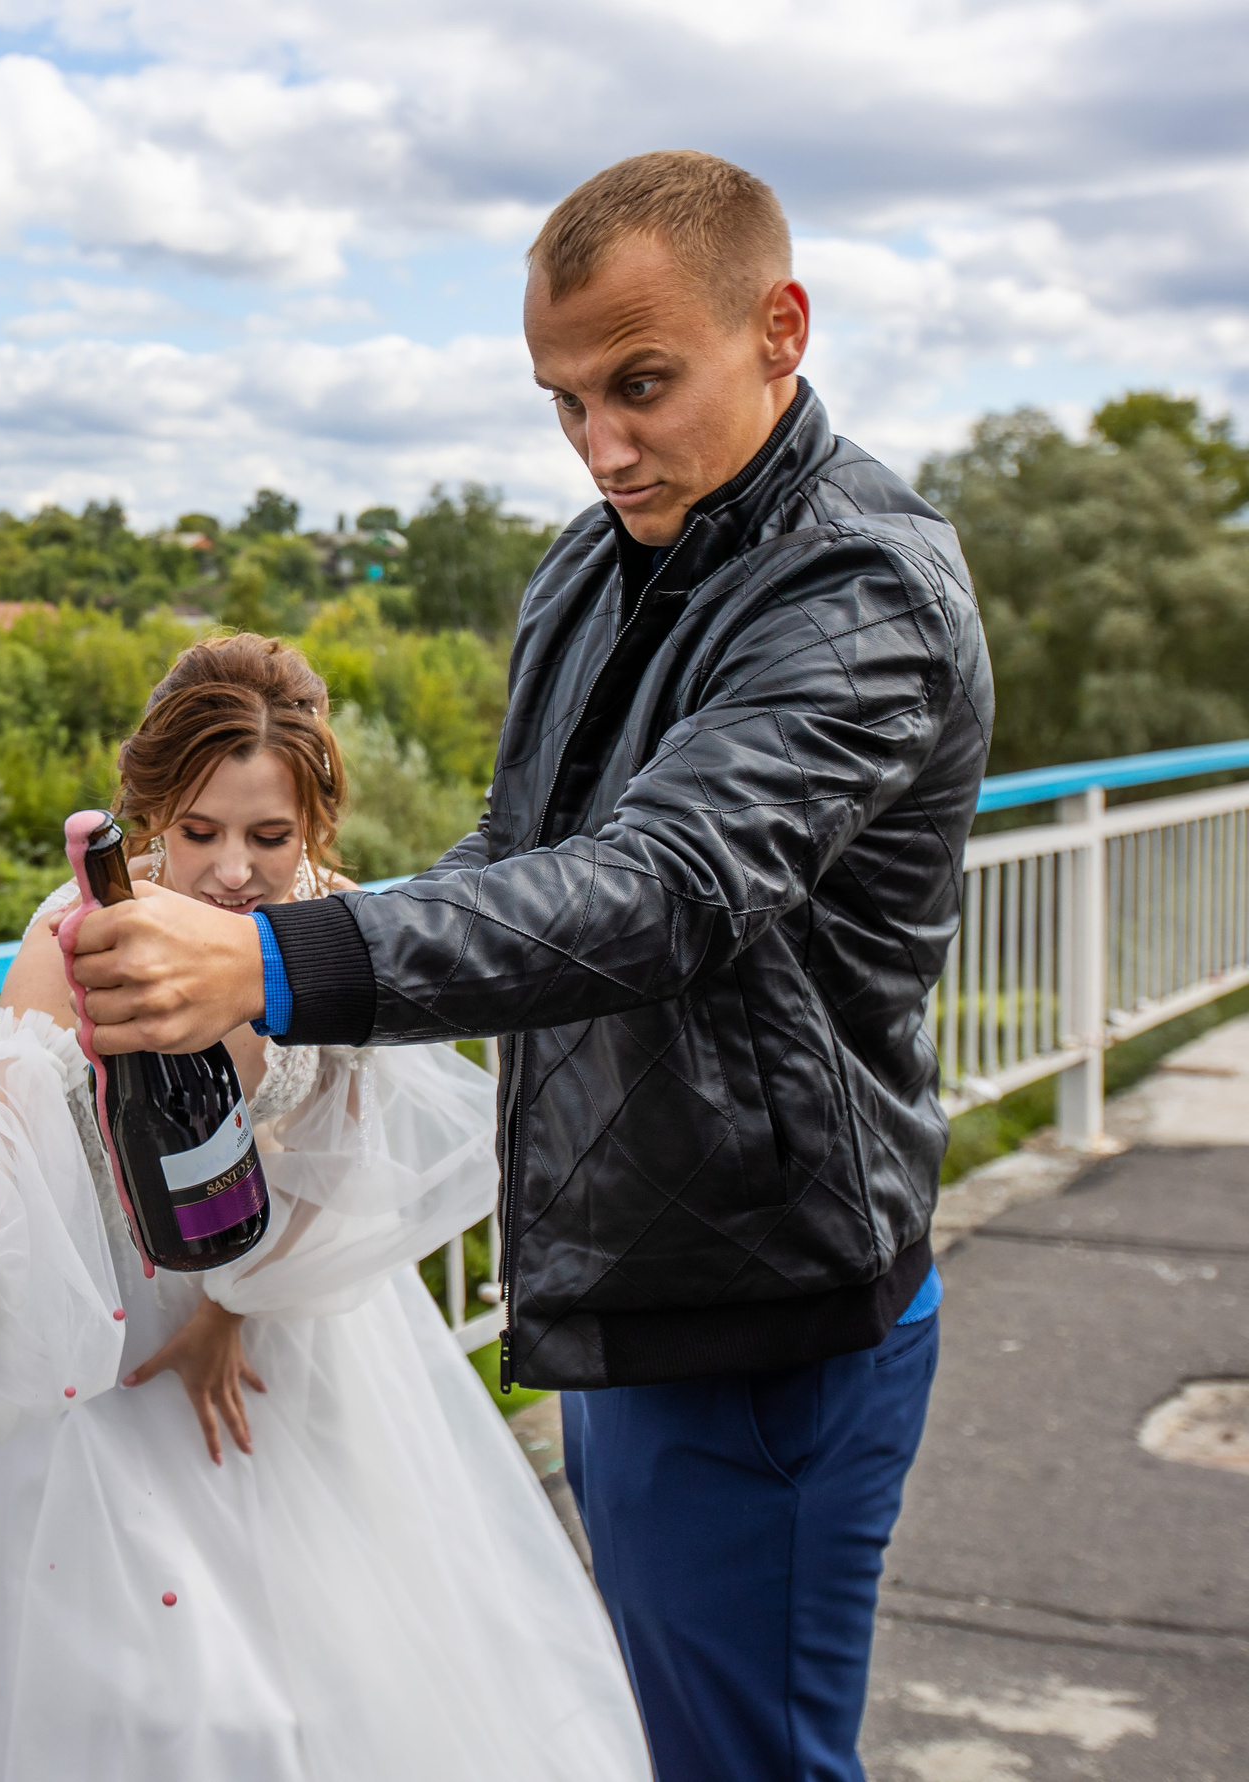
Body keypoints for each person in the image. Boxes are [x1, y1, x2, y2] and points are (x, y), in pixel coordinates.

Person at [67, 153, 993, 1782]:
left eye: (641, 385)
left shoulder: (860, 593)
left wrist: (272, 965)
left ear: (779, 329)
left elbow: (662, 890)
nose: (601, 443)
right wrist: (281, 946)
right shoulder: (593, 559)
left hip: (765, 1307)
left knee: (743, 1760)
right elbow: (519, 849)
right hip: (632, 1270)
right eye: (565, 400)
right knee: (662, 1735)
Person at [0, 635, 652, 1782]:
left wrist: (237, 1308)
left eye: (269, 838)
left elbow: (348, 1153)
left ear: (314, 828)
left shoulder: (336, 930)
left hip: (285, 1323)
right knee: (158, 1702)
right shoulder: (82, 934)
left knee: (322, 1694)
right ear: (149, 819)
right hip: (107, 1336)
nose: (235, 871)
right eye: (200, 834)